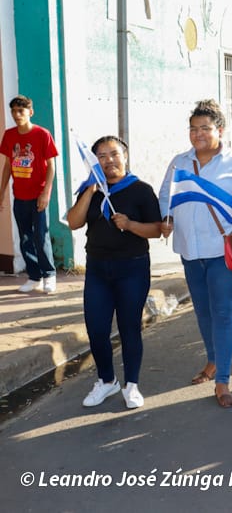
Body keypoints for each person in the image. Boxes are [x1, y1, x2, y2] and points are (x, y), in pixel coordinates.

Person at [159, 99, 232, 408]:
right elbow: (166, 196)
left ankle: (223, 380)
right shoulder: (180, 163)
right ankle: (213, 359)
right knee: (202, 312)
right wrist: (166, 218)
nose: (198, 134)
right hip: (190, 250)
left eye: (204, 128)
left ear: (220, 129)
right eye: (193, 129)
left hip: (222, 249)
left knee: (222, 312)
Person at [67, 136, 161, 408]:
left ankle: (132, 385)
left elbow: (155, 230)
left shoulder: (141, 190)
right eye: (102, 156)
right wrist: (89, 191)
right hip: (97, 269)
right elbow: (74, 222)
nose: (109, 160)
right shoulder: (91, 189)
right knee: (96, 330)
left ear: (125, 156)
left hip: (132, 267)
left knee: (129, 327)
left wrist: (130, 224)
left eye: (114, 154)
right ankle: (107, 382)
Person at [0, 95, 58, 294]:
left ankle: (49, 274)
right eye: (14, 111)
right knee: (25, 238)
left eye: (21, 111)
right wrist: (2, 193)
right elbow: (8, 166)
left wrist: (45, 193)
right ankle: (35, 277)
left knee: (40, 236)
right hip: (20, 197)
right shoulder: (9, 136)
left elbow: (51, 166)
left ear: (30, 112)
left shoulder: (42, 134)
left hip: (38, 196)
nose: (17, 115)